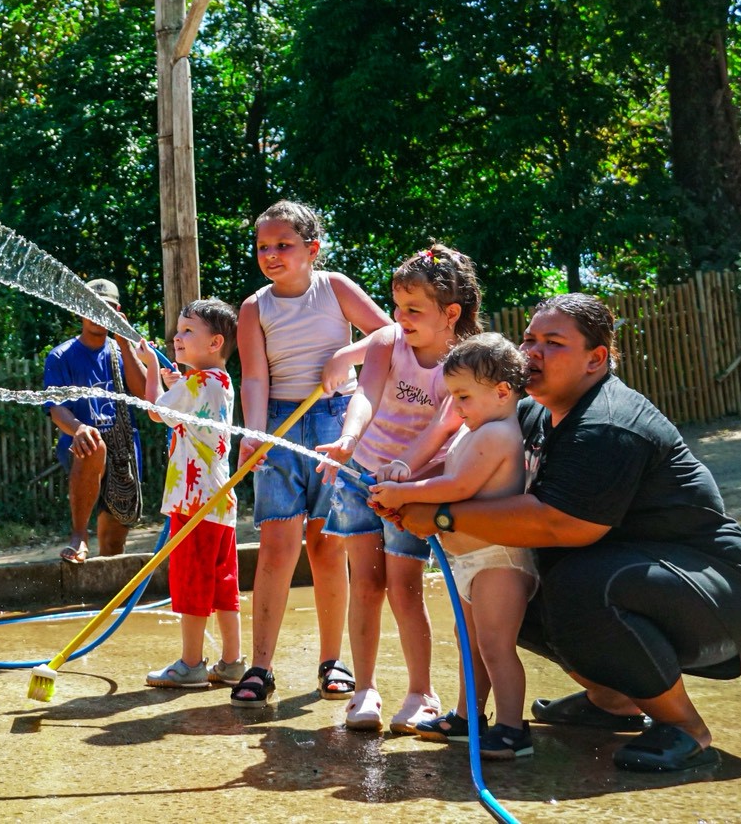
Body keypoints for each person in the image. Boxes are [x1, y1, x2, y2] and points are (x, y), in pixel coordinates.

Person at [398, 294, 741, 773]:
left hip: (722, 592)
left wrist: (442, 516)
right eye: (529, 338)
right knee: (509, 588)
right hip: (644, 575)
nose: (532, 351)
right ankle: (613, 699)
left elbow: (563, 522)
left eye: (553, 343)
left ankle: (684, 727)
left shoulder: (607, 423)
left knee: (577, 584)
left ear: (596, 359)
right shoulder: (528, 414)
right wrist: (411, 491)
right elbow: (470, 465)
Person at [230, 201, 390, 709]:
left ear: (312, 250)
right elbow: (254, 376)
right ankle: (261, 666)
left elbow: (389, 333)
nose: (272, 255)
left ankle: (331, 661)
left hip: (336, 420)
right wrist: (254, 435)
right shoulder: (255, 307)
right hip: (281, 422)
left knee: (326, 546)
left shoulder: (335, 287)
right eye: (263, 247)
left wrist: (347, 355)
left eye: (284, 246)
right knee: (277, 546)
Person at [316, 243, 481, 734]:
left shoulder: (465, 361)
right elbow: (365, 394)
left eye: (414, 309)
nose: (399, 317)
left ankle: (420, 692)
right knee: (365, 584)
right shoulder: (389, 341)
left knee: (406, 589)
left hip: (415, 485)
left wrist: (406, 475)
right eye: (396, 306)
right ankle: (364, 689)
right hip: (360, 471)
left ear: (450, 313)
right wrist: (349, 438)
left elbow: (441, 429)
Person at [368, 334, 538, 759]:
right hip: (469, 559)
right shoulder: (477, 429)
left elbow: (459, 485)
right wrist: (407, 477)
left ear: (501, 391)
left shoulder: (499, 432)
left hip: (498, 560)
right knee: (470, 643)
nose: (456, 407)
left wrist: (406, 495)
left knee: (497, 647)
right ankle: (467, 717)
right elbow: (450, 466)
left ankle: (513, 730)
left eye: (463, 396)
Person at [135, 298, 244, 688]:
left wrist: (149, 368)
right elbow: (192, 410)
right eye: (178, 330)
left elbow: (152, 411)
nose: (176, 338)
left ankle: (191, 664)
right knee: (222, 583)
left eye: (187, 332)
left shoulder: (197, 383)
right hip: (219, 501)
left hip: (192, 502)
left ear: (215, 342)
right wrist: (176, 386)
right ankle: (232, 663)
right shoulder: (219, 382)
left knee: (192, 582)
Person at [44, 278, 147, 563]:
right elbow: (56, 408)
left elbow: (145, 394)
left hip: (123, 451)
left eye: (108, 308)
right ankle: (79, 536)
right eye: (93, 307)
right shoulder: (60, 356)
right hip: (80, 447)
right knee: (94, 445)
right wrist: (78, 428)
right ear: (80, 310)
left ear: (117, 312)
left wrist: (125, 342)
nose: (100, 313)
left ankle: (106, 600)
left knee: (113, 545)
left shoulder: (122, 351)